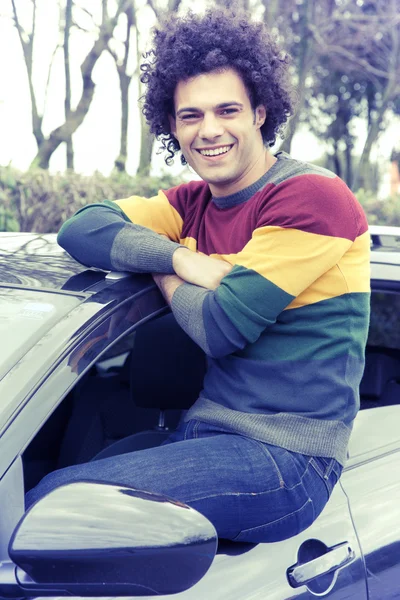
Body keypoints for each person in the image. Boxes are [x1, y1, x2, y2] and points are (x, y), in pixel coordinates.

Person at [26, 7, 370, 544]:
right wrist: (180, 258)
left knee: (54, 506)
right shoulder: (190, 203)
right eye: (190, 116)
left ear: (260, 112)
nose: (209, 131)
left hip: (287, 459)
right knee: (41, 486)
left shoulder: (312, 197)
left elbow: (220, 327)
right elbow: (81, 227)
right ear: (173, 126)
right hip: (205, 431)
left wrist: (159, 263)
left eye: (227, 109)